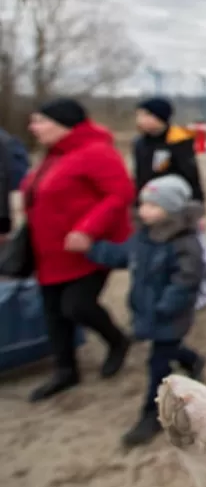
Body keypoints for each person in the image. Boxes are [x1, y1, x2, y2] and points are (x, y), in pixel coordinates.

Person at [23, 98, 135, 402]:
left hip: (88, 250)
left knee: (77, 306)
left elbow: (120, 193)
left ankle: (117, 341)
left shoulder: (95, 152)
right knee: (53, 313)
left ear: (64, 124)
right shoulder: (52, 156)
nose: (33, 127)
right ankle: (65, 370)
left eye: (40, 121)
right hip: (48, 252)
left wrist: (88, 228)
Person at [88, 174, 206, 447]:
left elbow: (187, 279)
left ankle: (151, 414)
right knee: (167, 348)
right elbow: (122, 256)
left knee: (158, 364)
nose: (144, 210)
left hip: (169, 314)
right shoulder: (142, 236)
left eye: (153, 206)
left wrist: (167, 306)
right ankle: (193, 360)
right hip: (146, 310)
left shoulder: (184, 242)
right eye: (143, 204)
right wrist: (92, 250)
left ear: (172, 208)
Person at [133, 96, 205, 208]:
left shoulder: (178, 141)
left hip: (173, 201)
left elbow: (191, 175)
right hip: (147, 201)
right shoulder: (139, 143)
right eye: (138, 115)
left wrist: (197, 203)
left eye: (145, 115)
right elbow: (139, 175)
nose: (140, 120)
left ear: (159, 117)